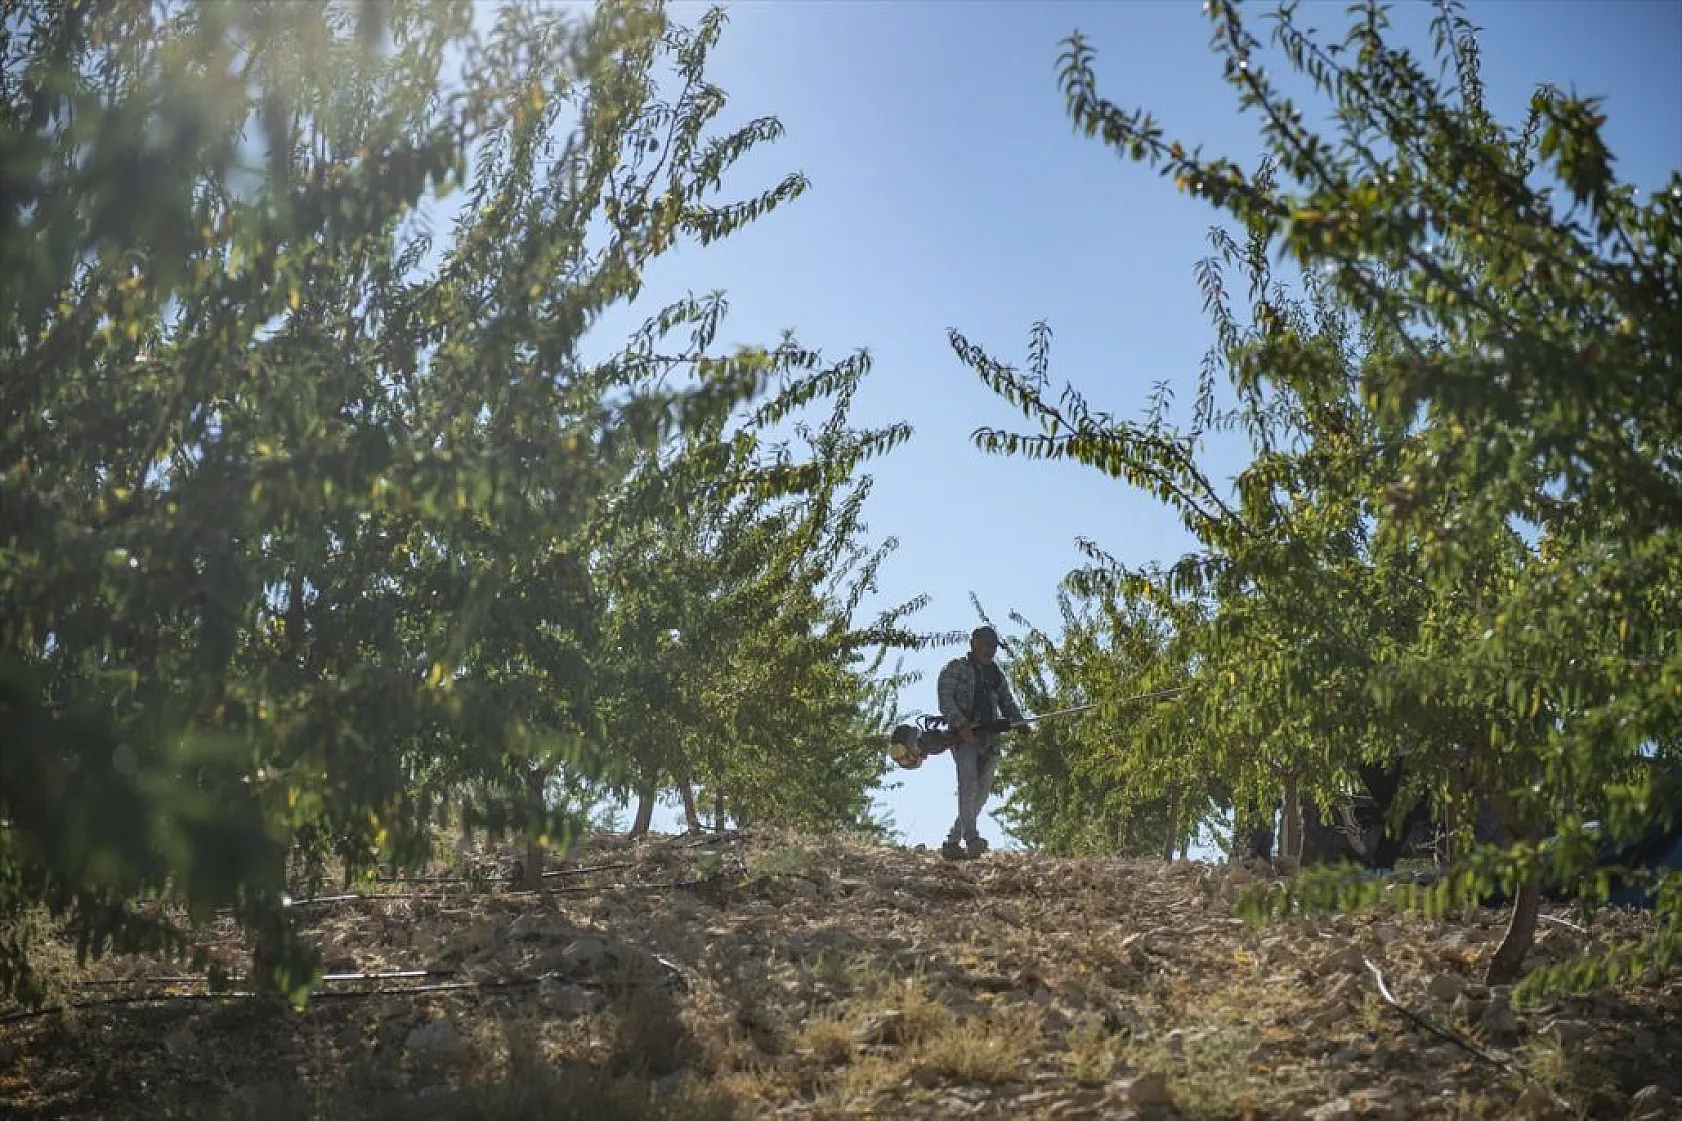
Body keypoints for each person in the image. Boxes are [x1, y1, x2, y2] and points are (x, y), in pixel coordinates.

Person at [936, 625, 1024, 861]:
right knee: (968, 784)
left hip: (991, 738)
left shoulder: (996, 674)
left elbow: (1007, 702)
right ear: (974, 643)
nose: (991, 650)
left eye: (994, 646)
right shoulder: (955, 669)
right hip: (964, 738)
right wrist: (961, 725)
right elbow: (945, 700)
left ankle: (953, 841)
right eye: (986, 644)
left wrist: (1020, 724)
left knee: (982, 792)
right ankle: (972, 839)